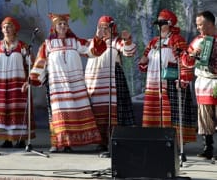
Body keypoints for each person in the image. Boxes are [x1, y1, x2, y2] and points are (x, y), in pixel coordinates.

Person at [29, 13, 106, 153]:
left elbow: (92, 50)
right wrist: (31, 79)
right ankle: (59, 143)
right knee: (58, 115)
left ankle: (71, 143)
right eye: (60, 24)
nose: (63, 26)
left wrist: (99, 38)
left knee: (75, 111)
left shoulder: (75, 42)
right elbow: (40, 63)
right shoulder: (48, 44)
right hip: (57, 86)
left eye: (65, 24)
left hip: (75, 86)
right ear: (54, 27)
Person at [138, 9, 197, 149]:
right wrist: (143, 61)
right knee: (154, 113)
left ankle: (172, 144)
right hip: (153, 83)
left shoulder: (177, 40)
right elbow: (143, 65)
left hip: (170, 83)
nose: (159, 25)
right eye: (158, 22)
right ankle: (155, 141)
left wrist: (183, 80)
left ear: (169, 24)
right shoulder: (153, 42)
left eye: (162, 22)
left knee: (170, 115)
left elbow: (185, 61)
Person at [0, 16, 33, 148]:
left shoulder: (22, 46)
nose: (6, 29)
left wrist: (30, 79)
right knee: (4, 111)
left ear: (15, 29)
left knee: (17, 110)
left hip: (18, 85)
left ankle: (21, 139)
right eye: (4, 27)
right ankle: (7, 139)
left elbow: (32, 65)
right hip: (1, 86)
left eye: (9, 26)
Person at [84, 15, 137, 152]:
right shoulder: (92, 42)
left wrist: (127, 40)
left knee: (115, 110)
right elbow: (85, 52)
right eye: (101, 27)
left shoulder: (116, 41)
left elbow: (129, 52)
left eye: (106, 27)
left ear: (113, 29)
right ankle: (101, 141)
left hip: (113, 79)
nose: (104, 30)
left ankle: (116, 140)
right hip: (94, 82)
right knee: (97, 110)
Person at [181, 10, 217, 160]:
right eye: (197, 25)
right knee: (204, 116)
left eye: (200, 25)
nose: (198, 28)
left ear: (209, 24)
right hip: (203, 82)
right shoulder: (197, 40)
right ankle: (208, 148)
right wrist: (193, 54)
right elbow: (185, 61)